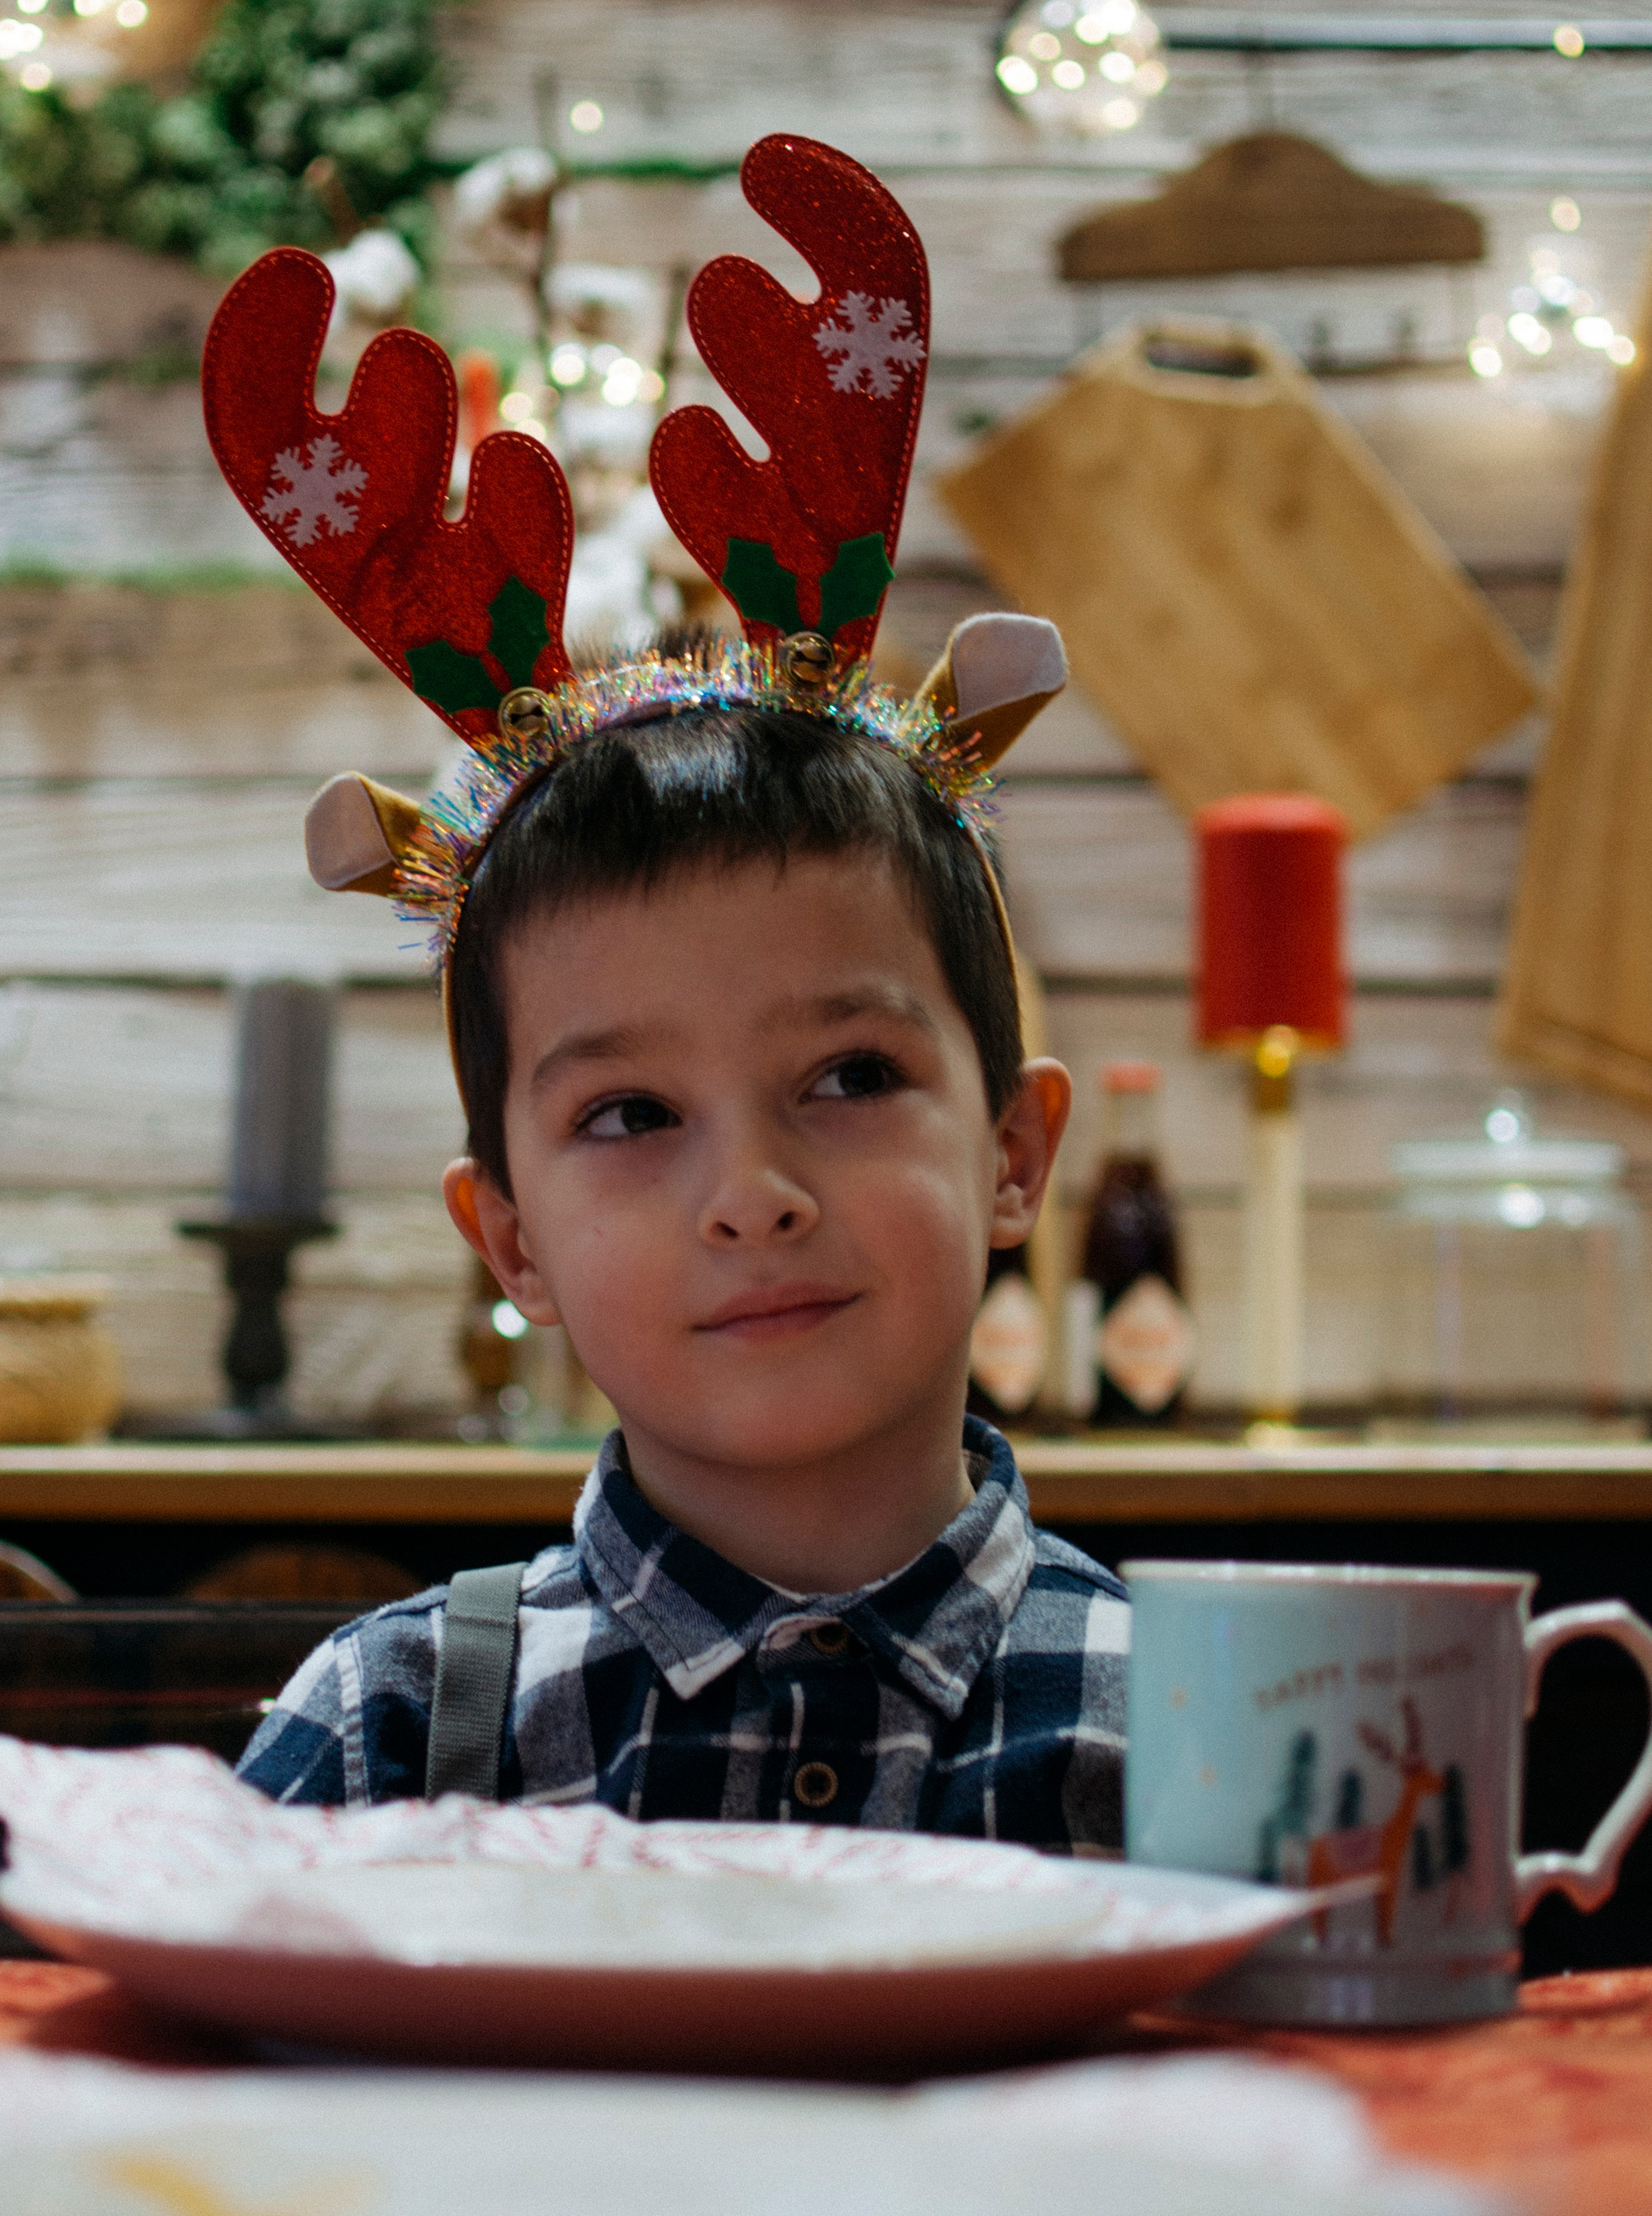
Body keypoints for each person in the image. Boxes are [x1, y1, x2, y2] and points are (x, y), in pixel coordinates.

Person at [203, 131, 1126, 1848]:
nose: (752, 1197)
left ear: (1014, 1151)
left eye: (849, 1075)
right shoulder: (382, 1739)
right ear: (510, 1240)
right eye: (628, 1112)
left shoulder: (1193, 1741)